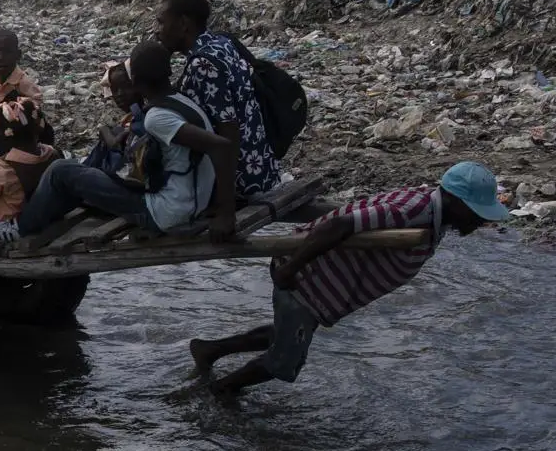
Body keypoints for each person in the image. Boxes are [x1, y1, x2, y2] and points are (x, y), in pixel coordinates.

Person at [191, 162, 510, 395]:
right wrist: (291, 270)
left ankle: (211, 350)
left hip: (318, 283)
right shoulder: (416, 211)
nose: (481, 221)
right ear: (455, 201)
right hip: (306, 279)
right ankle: (220, 393)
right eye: (477, 213)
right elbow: (338, 226)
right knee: (285, 362)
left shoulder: (434, 212)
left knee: (287, 333)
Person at [16, 39, 239, 238]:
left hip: (164, 212)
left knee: (60, 169)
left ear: (136, 82)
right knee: (82, 174)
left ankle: (19, 228)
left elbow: (221, 147)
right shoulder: (182, 101)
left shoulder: (156, 118)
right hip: (189, 203)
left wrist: (226, 214)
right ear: (168, 71)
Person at [154, 0, 280, 198]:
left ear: (184, 24)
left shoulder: (202, 64)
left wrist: (226, 206)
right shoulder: (221, 43)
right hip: (261, 169)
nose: (157, 30)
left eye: (161, 22)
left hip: (240, 181)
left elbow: (228, 131)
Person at [0, 98, 60, 242]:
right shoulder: (52, 153)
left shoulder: (0, 166)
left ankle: (7, 231)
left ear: (4, 136)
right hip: (42, 211)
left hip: (11, 220)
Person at [81, 59, 147, 173]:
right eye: (115, 90)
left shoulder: (145, 118)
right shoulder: (130, 117)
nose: (119, 94)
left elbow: (115, 144)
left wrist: (104, 130)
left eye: (125, 87)